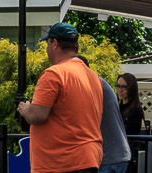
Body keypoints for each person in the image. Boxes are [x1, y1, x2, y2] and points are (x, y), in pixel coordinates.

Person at [17, 22, 103, 173]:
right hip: (88, 159)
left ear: (55, 43)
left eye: (47, 44)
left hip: (61, 163)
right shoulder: (92, 76)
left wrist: (25, 109)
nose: (47, 49)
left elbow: (37, 115)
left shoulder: (54, 74)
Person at [117, 73, 145, 172]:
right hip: (119, 152)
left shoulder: (136, 110)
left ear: (131, 89)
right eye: (118, 86)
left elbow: (128, 130)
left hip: (128, 153)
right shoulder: (118, 107)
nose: (120, 90)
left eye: (123, 87)